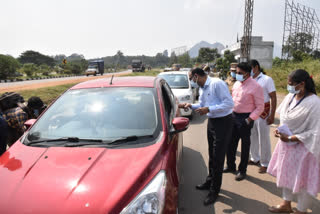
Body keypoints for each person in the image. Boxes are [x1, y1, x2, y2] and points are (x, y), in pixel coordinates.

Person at [267, 69, 320, 214]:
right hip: (287, 146)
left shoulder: (314, 103)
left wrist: (291, 138)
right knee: (287, 174)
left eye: (291, 84)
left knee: (303, 180)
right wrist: (279, 129)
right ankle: (286, 204)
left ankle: (301, 210)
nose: (289, 87)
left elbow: (316, 131)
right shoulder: (291, 96)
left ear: (302, 84)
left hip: (305, 149)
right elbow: (284, 116)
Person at [179, 68, 234, 205]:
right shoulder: (203, 87)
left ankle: (214, 191)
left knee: (218, 157)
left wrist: (208, 109)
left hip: (223, 122)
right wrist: (190, 105)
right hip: (212, 122)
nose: (192, 83)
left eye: (192, 79)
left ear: (197, 76)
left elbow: (228, 104)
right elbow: (203, 105)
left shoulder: (217, 83)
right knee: (212, 154)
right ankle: (210, 182)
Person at [224, 62, 264, 181]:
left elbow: (260, 107)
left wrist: (249, 119)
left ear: (247, 73)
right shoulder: (236, 84)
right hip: (233, 116)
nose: (237, 75)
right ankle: (231, 166)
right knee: (230, 143)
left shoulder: (256, 87)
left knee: (245, 146)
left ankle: (242, 171)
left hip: (246, 118)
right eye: (236, 72)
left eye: (240, 73)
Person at [249, 59, 277, 173]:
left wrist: (272, 115)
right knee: (252, 136)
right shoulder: (249, 80)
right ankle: (254, 158)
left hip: (263, 112)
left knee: (263, 138)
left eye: (249, 69)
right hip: (251, 111)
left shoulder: (267, 80)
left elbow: (273, 97)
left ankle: (265, 162)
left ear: (255, 67)